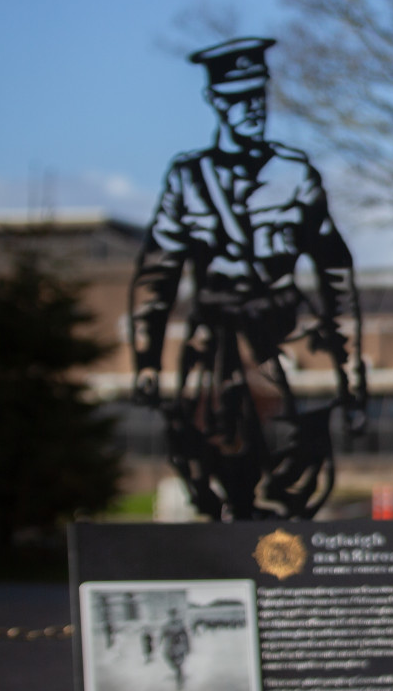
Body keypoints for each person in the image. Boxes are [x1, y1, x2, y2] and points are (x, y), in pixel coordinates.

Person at [130, 38, 366, 520]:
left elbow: (334, 269)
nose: (253, 108)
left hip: (282, 330)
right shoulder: (188, 178)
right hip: (215, 338)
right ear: (216, 101)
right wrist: (147, 357)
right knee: (207, 458)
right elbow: (158, 272)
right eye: (240, 99)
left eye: (258, 96)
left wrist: (350, 364)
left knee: (296, 455)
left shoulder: (295, 174)